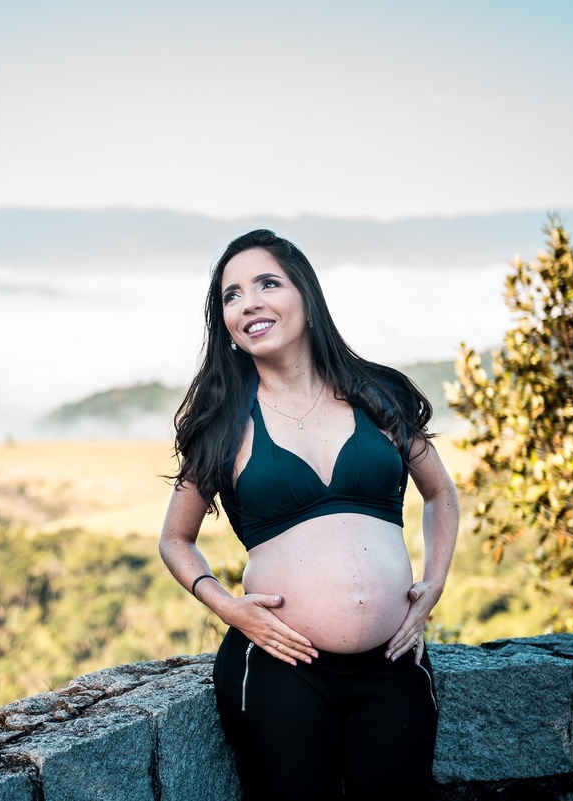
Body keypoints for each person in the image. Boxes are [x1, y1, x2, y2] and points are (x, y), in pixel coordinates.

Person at [159, 229, 459, 800]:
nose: (249, 303)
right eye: (231, 295)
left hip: (391, 663)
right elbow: (176, 539)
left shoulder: (378, 394)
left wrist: (434, 583)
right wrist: (228, 608)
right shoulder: (222, 421)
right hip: (277, 667)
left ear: (306, 295)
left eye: (267, 283)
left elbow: (440, 493)